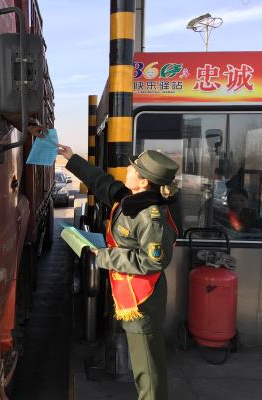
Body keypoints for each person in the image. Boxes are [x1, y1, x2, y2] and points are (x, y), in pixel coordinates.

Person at [57, 144, 179, 400]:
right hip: (128, 290)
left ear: (144, 181)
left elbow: (152, 262)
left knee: (147, 368)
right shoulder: (130, 200)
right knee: (142, 364)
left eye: (132, 169)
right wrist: (71, 157)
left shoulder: (150, 217)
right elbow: (101, 182)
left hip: (142, 298)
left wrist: (102, 256)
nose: (127, 170)